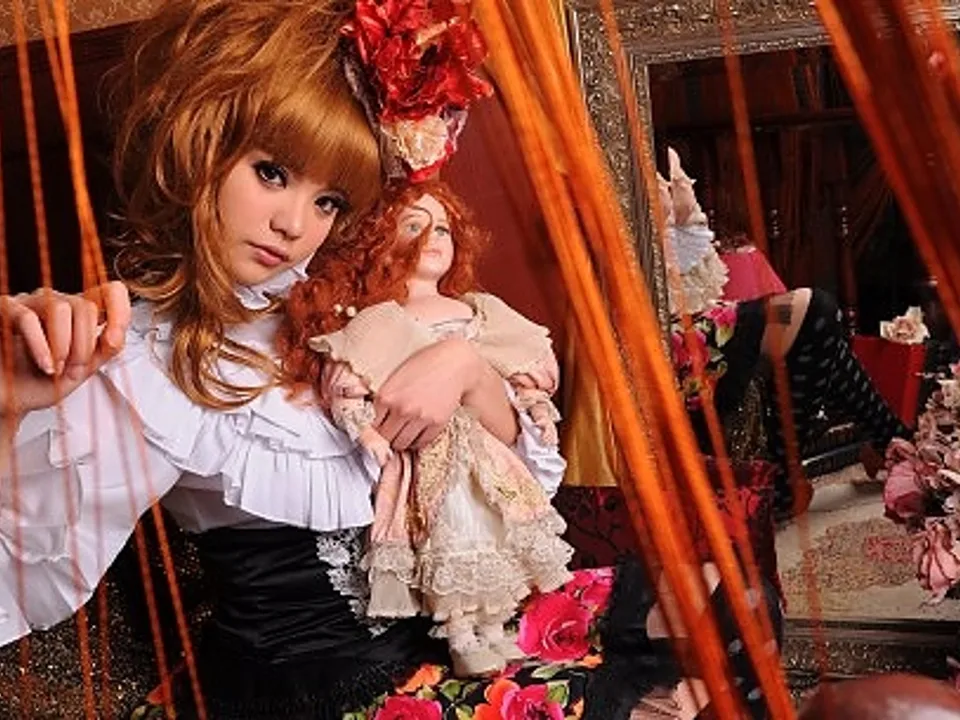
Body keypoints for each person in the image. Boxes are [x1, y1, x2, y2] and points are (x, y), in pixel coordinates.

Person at [0, 2, 782, 718]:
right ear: (202, 147)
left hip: (435, 622)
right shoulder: (138, 363)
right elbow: (21, 575)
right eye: (271, 172)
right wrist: (8, 408)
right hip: (321, 689)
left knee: (721, 601)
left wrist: (465, 368)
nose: (293, 224)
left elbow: (519, 476)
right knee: (651, 703)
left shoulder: (340, 301)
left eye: (328, 201)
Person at [285, 180, 572, 677]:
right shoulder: (380, 321)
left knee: (493, 529)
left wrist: (540, 411)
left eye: (442, 229)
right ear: (381, 241)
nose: (433, 239)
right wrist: (366, 432)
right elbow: (351, 387)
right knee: (447, 534)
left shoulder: (479, 311)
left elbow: (518, 373)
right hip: (424, 459)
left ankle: (495, 627)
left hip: (484, 453)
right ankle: (461, 634)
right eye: (413, 226)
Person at [661, 148, 909, 517]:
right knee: (815, 310)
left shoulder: (652, 154)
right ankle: (885, 442)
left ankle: (887, 440)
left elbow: (690, 261)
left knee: (815, 320)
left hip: (690, 324)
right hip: (660, 346)